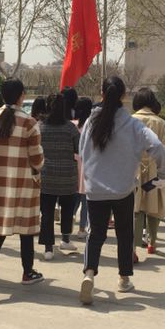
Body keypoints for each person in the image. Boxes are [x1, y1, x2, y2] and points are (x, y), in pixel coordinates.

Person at [78, 76, 165, 305]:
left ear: (101, 93)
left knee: (95, 234)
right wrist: (162, 174)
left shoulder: (90, 122)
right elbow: (158, 147)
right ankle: (123, 279)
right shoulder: (132, 125)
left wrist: (90, 177)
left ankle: (89, 274)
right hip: (123, 189)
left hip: (96, 189)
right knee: (125, 234)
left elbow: (82, 152)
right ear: (124, 96)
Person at [0, 78, 45, 301]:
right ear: (21, 95)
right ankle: (28, 272)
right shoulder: (29, 122)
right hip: (22, 185)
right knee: (26, 230)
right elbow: (37, 159)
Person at [132, 89, 165, 256]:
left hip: (133, 170)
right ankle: (152, 243)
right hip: (155, 170)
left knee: (135, 208)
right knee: (154, 207)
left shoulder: (129, 121)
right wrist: (162, 164)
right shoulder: (161, 123)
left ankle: (133, 249)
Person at [38, 93, 80, 260]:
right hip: (67, 175)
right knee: (67, 210)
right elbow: (78, 148)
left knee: (47, 213)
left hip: (46, 174)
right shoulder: (70, 127)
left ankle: (48, 248)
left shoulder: (40, 127)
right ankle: (65, 239)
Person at [72, 96, 93, 235]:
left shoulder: (72, 125)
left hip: (73, 163)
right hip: (87, 163)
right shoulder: (92, 125)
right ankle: (82, 228)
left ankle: (69, 220)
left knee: (74, 197)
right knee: (85, 199)